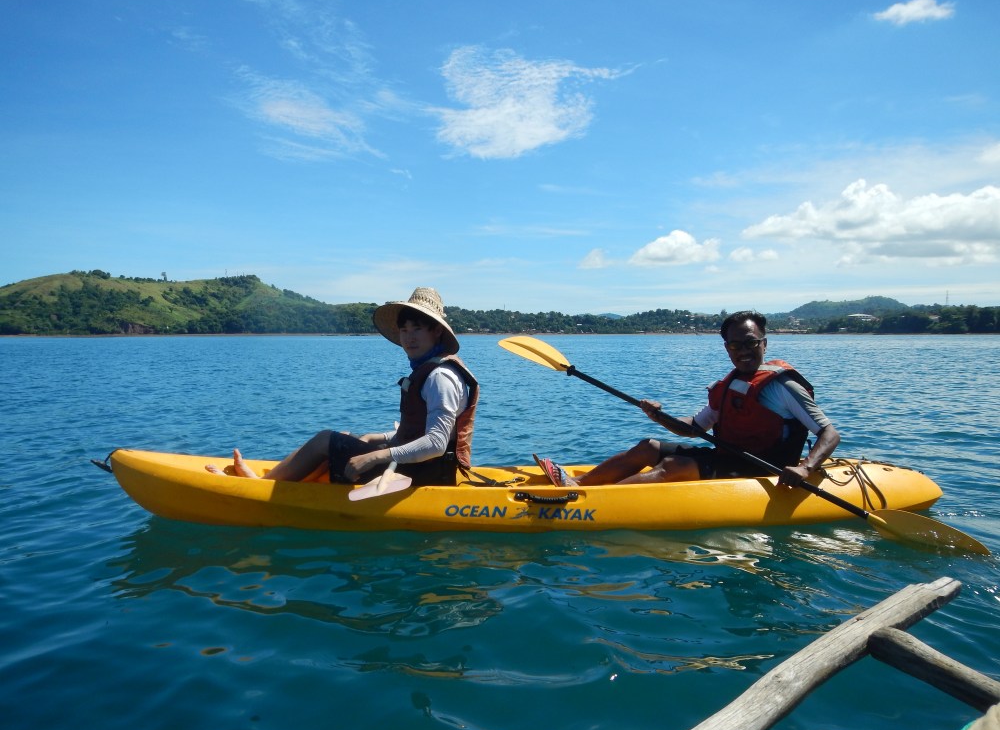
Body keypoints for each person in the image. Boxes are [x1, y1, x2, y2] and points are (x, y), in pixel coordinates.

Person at [206, 287, 479, 487]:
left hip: (423, 475)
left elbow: (435, 443)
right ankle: (283, 484)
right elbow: (416, 431)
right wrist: (380, 438)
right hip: (417, 467)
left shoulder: (439, 377)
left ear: (437, 332)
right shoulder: (430, 370)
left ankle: (259, 487)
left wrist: (373, 458)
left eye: (417, 328)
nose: (409, 337)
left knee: (326, 439)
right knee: (349, 436)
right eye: (404, 330)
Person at [536, 310, 840, 488]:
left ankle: (591, 502)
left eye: (750, 343)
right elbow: (694, 426)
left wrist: (806, 467)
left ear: (764, 343)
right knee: (648, 446)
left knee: (674, 465)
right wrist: (659, 416)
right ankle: (580, 486)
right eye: (735, 345)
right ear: (726, 348)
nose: (743, 351)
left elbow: (829, 433)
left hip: (766, 469)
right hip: (729, 457)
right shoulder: (729, 385)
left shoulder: (783, 387)